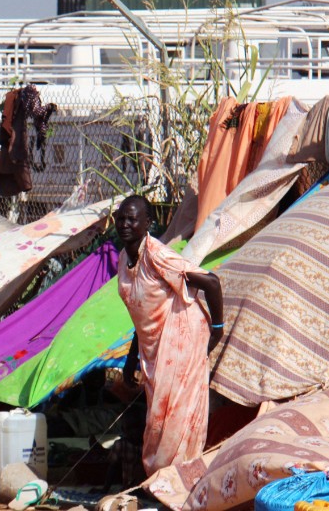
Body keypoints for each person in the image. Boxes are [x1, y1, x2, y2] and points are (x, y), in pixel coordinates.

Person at [115, 195, 224, 475]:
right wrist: (131, 357)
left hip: (181, 337)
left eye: (132, 219)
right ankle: (163, 480)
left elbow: (211, 282)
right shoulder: (124, 258)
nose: (125, 224)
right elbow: (142, 312)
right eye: (121, 218)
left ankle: (176, 480)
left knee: (174, 416)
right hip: (154, 345)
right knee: (158, 416)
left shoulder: (157, 255)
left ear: (147, 223)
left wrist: (217, 328)